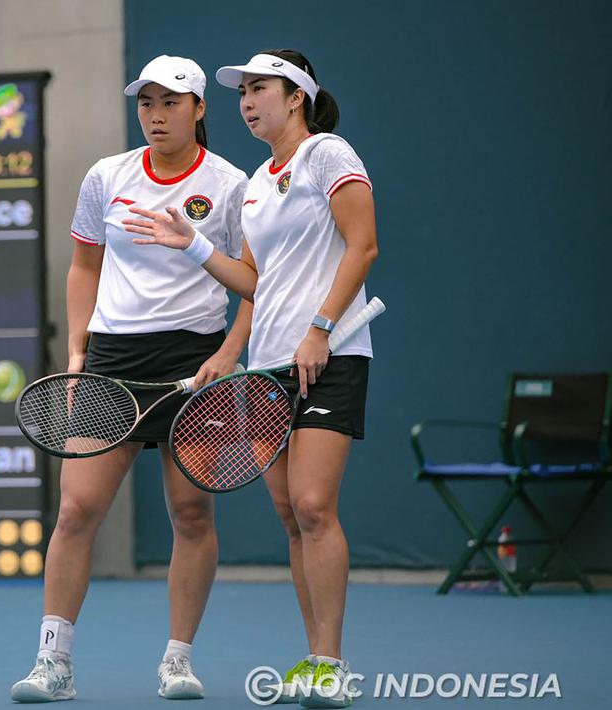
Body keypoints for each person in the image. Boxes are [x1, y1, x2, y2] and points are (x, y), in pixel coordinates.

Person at [122, 49, 378, 709]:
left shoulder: (327, 155)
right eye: (242, 92)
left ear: (295, 97)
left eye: (260, 89)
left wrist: (320, 328)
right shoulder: (258, 182)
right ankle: (313, 658)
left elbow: (363, 246)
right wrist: (194, 246)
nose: (247, 102)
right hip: (269, 368)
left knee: (314, 506)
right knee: (291, 517)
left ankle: (333, 665)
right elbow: (254, 283)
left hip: (330, 356)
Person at [10, 54, 252, 703]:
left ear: (199, 109)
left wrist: (230, 351)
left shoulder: (231, 185)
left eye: (170, 102)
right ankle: (53, 663)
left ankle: (177, 661)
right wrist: (77, 353)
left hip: (194, 361)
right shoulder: (106, 176)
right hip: (113, 362)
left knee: (192, 513)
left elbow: (255, 283)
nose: (155, 115)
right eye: (146, 102)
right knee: (76, 510)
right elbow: (83, 265)